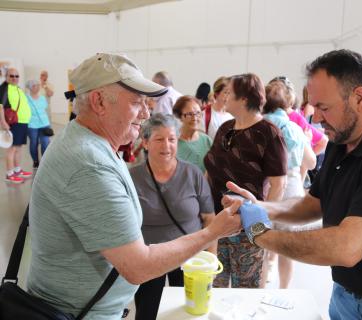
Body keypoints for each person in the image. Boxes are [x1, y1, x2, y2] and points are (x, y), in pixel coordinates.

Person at [226, 50, 362, 320]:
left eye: (323, 107)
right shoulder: (341, 143)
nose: (315, 118)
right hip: (345, 292)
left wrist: (261, 235)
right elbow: (311, 204)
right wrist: (261, 207)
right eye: (313, 105)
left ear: (359, 98)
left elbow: (346, 247)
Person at [27, 53, 242, 319]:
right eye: (137, 102)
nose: (146, 112)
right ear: (99, 102)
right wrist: (213, 232)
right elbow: (138, 266)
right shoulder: (88, 163)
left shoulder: (93, 145)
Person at [204, 73, 288, 288]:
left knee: (247, 290)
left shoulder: (268, 133)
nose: (224, 97)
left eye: (229, 92)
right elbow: (210, 171)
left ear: (243, 99)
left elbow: (279, 184)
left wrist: (259, 222)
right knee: (216, 286)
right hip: (218, 223)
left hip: (247, 225)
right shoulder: (225, 128)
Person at [130, 113, 216, 320]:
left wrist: (211, 262)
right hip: (149, 258)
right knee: (147, 311)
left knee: (188, 312)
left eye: (172, 139)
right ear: (146, 142)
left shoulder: (193, 174)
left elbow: (210, 220)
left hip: (189, 258)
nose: (166, 146)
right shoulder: (132, 178)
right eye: (159, 139)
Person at [262, 80, 316, 288]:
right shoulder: (294, 128)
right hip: (291, 187)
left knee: (262, 242)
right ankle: (284, 290)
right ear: (288, 104)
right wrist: (306, 139)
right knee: (287, 246)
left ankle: (261, 289)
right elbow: (311, 162)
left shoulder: (257, 125)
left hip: (263, 188)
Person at [0, 67, 33, 183]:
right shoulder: (4, 88)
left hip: (23, 122)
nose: (14, 78)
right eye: (11, 76)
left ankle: (17, 170)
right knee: (12, 149)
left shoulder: (17, 88)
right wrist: (3, 122)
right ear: (6, 77)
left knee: (18, 148)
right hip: (14, 123)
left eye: (16, 76)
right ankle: (9, 174)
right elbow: (0, 107)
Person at [172, 95, 212, 173]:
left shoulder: (207, 141)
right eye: (190, 114)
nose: (195, 118)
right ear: (180, 117)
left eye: (198, 113)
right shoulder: (172, 143)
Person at [26, 79, 51, 169]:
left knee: (45, 143)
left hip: (44, 123)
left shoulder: (42, 98)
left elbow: (44, 108)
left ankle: (44, 162)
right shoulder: (26, 98)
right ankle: (35, 161)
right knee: (34, 143)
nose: (36, 87)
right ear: (30, 88)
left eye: (37, 85)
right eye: (34, 85)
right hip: (32, 125)